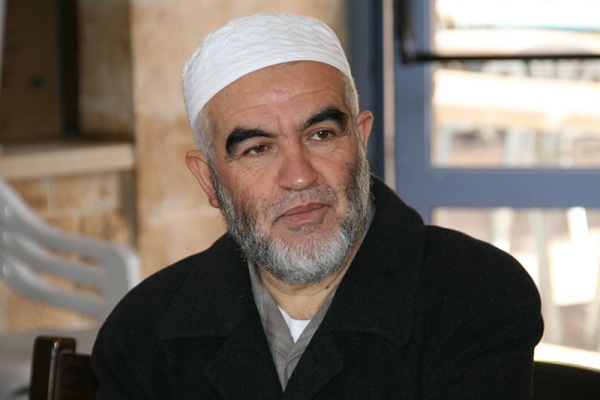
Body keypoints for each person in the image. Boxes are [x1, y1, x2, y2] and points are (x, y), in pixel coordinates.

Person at [92, 13, 543, 399]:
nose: (299, 175)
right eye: (257, 149)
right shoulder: (144, 330)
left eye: (321, 134)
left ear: (360, 141)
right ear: (209, 179)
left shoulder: (474, 294)